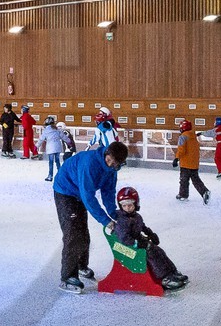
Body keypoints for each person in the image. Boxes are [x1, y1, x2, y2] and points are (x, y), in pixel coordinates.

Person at [52, 140, 128, 294]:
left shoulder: (113, 170)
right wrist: (105, 221)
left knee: (83, 232)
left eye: (114, 164)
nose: (110, 165)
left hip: (80, 194)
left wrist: (114, 215)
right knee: (72, 233)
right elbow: (88, 197)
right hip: (65, 191)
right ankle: (67, 277)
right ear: (106, 153)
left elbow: (108, 193)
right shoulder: (90, 163)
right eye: (108, 160)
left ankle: (81, 265)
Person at [110, 187, 188, 291]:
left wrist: (150, 234)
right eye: (124, 205)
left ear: (136, 204)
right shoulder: (122, 220)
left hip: (136, 242)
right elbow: (124, 239)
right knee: (151, 254)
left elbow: (142, 226)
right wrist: (138, 243)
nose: (127, 208)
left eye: (130, 205)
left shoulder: (136, 216)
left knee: (158, 250)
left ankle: (171, 272)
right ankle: (164, 279)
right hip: (124, 248)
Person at [172, 119, 210, 204]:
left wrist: (176, 158)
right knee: (196, 180)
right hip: (194, 163)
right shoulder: (193, 137)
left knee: (184, 180)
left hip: (185, 163)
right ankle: (204, 192)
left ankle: (183, 195)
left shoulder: (183, 136)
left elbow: (181, 149)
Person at [39, 115, 68, 182]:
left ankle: (50, 176)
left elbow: (41, 139)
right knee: (57, 161)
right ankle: (61, 175)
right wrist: (69, 141)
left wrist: (36, 146)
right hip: (57, 148)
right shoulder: (57, 129)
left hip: (51, 149)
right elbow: (64, 137)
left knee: (51, 162)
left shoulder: (46, 130)